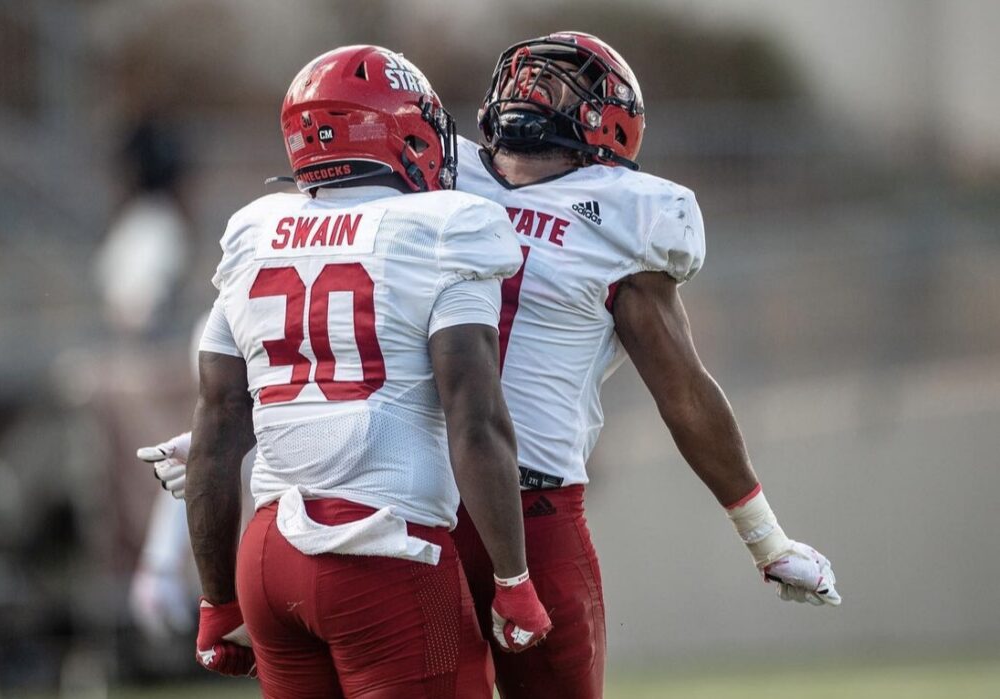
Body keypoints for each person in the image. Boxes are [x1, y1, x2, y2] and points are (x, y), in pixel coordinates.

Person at [142, 31, 840, 699]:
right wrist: (764, 536)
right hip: (499, 513)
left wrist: (239, 432)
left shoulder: (435, 184)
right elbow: (682, 392)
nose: (536, 91)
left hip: (418, 505)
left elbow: (332, 318)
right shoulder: (465, 190)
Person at [181, 45, 551, 698]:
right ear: (401, 129)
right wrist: (513, 577)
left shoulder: (256, 231)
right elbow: (476, 419)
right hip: (383, 551)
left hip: (269, 558)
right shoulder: (444, 228)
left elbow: (217, 424)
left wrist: (215, 597)